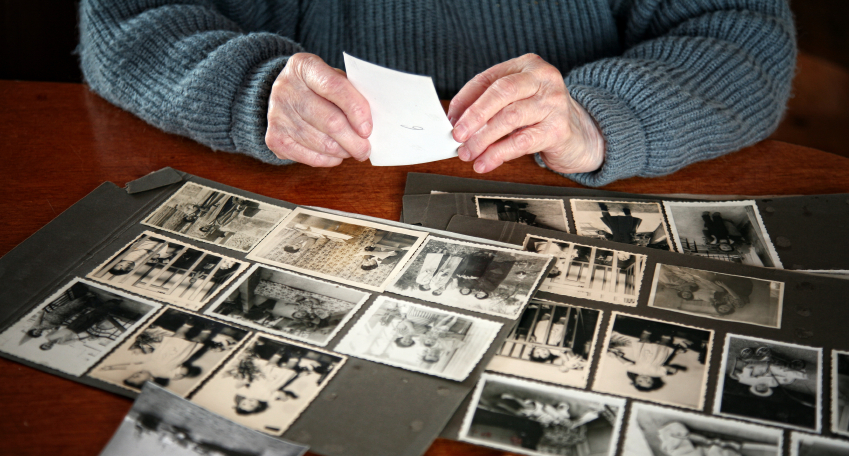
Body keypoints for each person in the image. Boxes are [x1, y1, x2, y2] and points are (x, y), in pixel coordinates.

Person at [79, 0, 795, 187]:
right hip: (293, 186)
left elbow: (742, 32)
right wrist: (250, 85)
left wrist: (600, 114)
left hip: (572, 194)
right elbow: (124, 17)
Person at [657, 421, 754, 456]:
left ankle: (677, 450)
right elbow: (716, 450)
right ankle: (674, 438)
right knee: (680, 452)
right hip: (704, 452)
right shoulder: (733, 455)